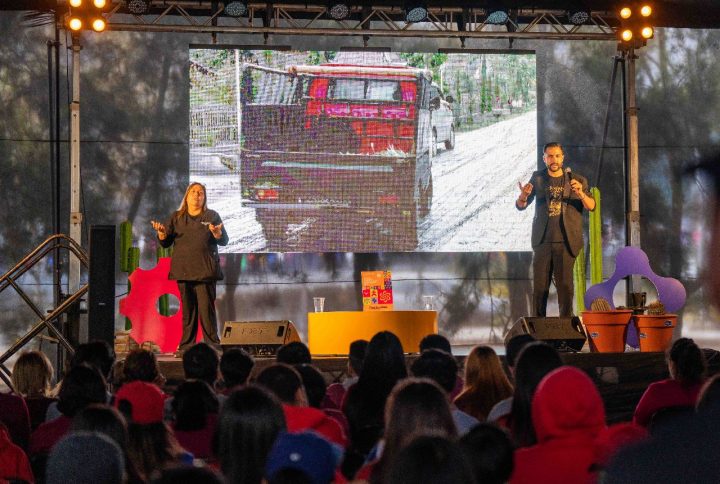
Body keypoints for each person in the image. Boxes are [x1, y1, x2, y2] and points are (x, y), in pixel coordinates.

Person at [516, 142, 595, 317]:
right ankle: (538, 331)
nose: (554, 159)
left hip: (567, 242)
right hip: (543, 241)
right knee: (540, 289)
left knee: (566, 290)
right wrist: (523, 196)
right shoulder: (537, 178)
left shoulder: (578, 180)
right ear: (544, 158)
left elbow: (591, 206)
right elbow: (521, 206)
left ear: (562, 157)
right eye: (550, 156)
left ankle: (565, 331)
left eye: (557, 156)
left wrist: (581, 193)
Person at [152, 182, 229, 355]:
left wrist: (217, 234)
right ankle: (186, 346)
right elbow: (166, 242)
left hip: (205, 272)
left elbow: (223, 240)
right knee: (188, 312)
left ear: (204, 197)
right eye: (193, 192)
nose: (197, 195)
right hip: (184, 270)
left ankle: (213, 346)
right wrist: (162, 234)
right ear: (187, 196)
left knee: (206, 311)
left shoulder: (212, 215)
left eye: (200, 193)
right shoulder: (176, 217)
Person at [632, 337, 706, 428]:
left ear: (673, 364)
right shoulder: (712, 390)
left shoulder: (656, 391)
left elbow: (637, 424)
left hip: (663, 441)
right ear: (700, 363)